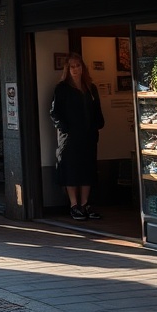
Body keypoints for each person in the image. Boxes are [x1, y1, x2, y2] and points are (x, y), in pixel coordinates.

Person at [50, 54, 105, 221]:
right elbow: (54, 112)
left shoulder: (90, 88)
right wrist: (65, 129)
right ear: (67, 69)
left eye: (78, 66)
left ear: (83, 68)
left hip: (88, 136)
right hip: (70, 137)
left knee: (88, 168)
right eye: (72, 66)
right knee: (71, 168)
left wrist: (98, 125)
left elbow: (97, 110)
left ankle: (85, 204)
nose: (75, 69)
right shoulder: (62, 88)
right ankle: (74, 205)